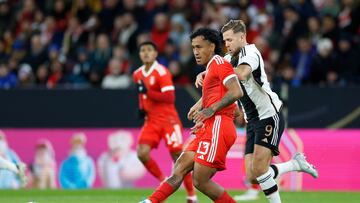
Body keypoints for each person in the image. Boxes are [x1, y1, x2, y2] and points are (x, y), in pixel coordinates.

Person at [196, 20, 318, 203]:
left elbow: (243, 73)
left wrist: (214, 72)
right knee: (253, 176)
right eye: (225, 40)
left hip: (269, 115)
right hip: (252, 120)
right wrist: (203, 92)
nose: (227, 44)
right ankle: (295, 164)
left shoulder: (250, 52)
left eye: (230, 40)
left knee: (260, 169)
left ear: (242, 37)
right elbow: (220, 86)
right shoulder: (228, 60)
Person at [140, 28, 243, 203]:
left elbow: (236, 91)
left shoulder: (219, 64)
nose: (195, 52)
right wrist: (202, 108)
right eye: (193, 47)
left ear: (211, 46)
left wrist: (212, 110)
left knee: (200, 181)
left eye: (199, 47)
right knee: (178, 169)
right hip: (210, 127)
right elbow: (236, 109)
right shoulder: (210, 69)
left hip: (218, 127)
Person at [132, 41, 197, 202]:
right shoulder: (137, 74)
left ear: (155, 54)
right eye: (143, 51)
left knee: (178, 158)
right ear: (140, 55)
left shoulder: (162, 72)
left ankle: (191, 195)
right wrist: (142, 107)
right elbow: (142, 94)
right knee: (142, 153)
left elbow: (170, 97)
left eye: (149, 50)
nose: (146, 53)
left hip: (168, 120)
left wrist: (149, 92)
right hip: (151, 120)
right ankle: (163, 181)